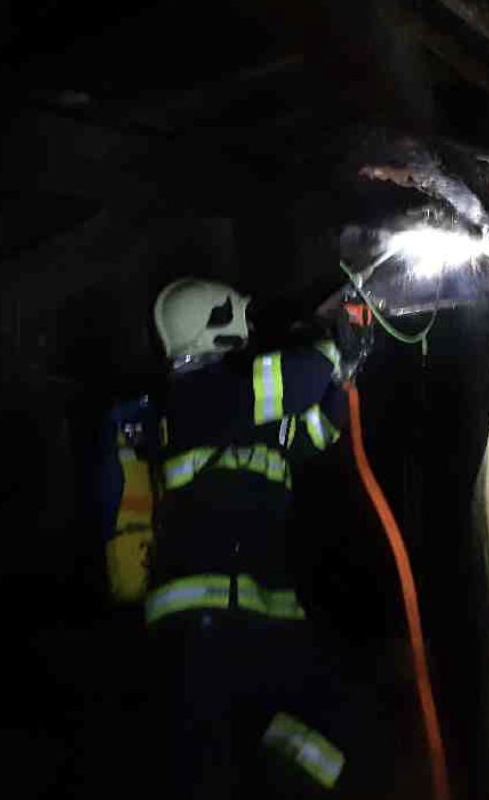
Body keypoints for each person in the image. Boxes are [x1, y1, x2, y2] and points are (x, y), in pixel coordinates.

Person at [145, 277, 371, 798]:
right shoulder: (195, 397)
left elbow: (311, 431)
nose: (246, 324)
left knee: (328, 726)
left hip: (260, 611)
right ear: (207, 326)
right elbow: (294, 381)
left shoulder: (239, 406)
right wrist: (332, 342)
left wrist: (346, 371)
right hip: (202, 618)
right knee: (210, 763)